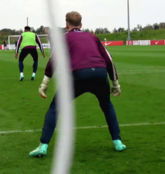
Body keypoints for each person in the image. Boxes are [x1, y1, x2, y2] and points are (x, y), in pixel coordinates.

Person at [28, 11, 125, 158]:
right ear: (81, 24)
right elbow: (108, 59)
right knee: (107, 105)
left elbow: (54, 60)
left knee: (55, 107)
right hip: (99, 73)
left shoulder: (64, 38)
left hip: (79, 75)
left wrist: (45, 83)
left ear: (67, 25)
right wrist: (115, 82)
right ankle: (118, 142)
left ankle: (43, 146)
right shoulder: (93, 37)